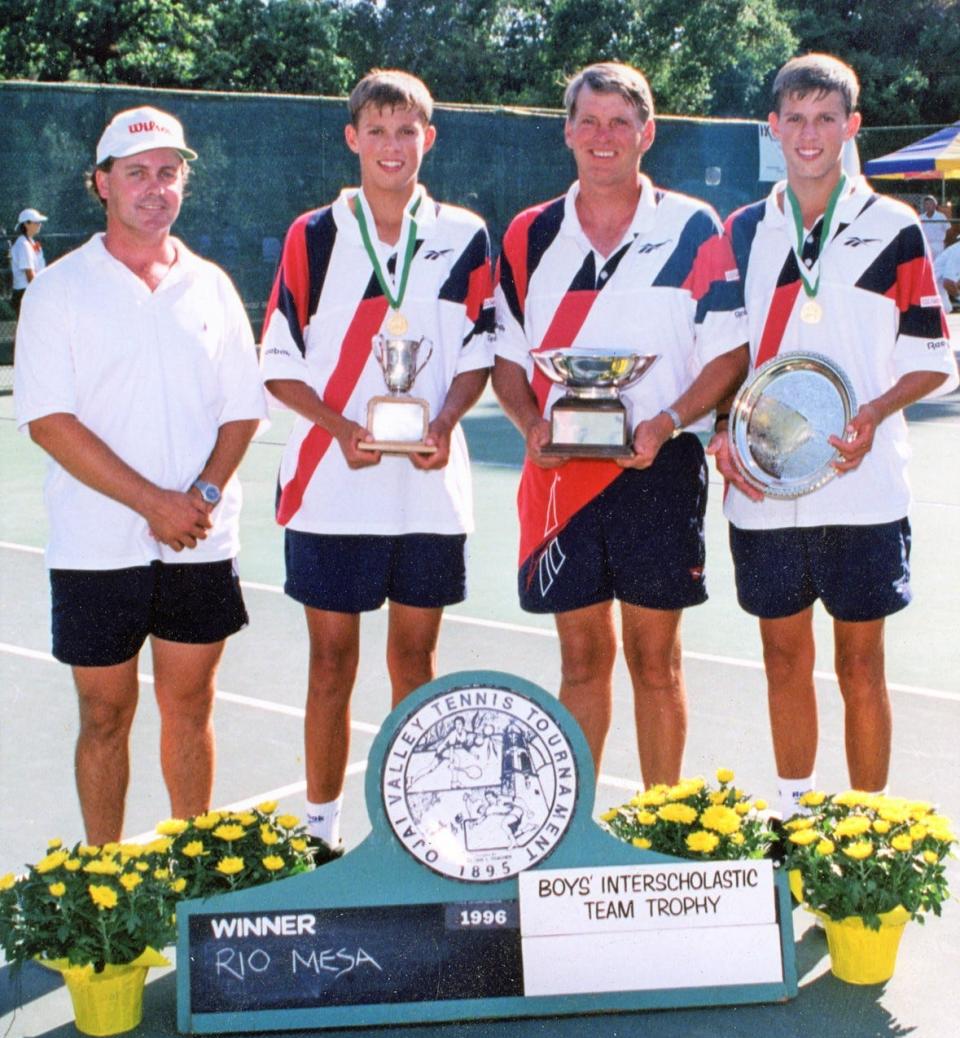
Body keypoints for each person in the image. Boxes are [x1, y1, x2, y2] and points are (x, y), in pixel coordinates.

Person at [712, 55, 958, 822]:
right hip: (762, 491)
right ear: (774, 129)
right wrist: (723, 429)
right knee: (784, 658)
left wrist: (873, 413)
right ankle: (793, 818)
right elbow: (723, 356)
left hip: (865, 484)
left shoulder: (894, 228)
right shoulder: (742, 230)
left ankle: (864, 828)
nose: (810, 134)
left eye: (826, 119)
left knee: (861, 666)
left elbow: (933, 358)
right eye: (796, 118)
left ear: (851, 127)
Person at [13, 106, 267, 844]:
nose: (155, 189)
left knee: (191, 707)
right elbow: (50, 421)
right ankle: (107, 879)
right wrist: (153, 502)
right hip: (97, 546)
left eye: (169, 173)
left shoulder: (213, 286)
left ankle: (192, 872)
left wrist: (203, 497)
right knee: (104, 715)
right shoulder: (58, 290)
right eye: (137, 174)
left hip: (199, 539)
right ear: (101, 184)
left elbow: (242, 409)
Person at [492, 62, 749, 786]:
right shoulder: (527, 233)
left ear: (648, 133)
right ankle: (577, 832)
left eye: (620, 123)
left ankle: (660, 826)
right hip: (560, 474)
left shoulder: (693, 225)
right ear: (568, 130)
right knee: (580, 662)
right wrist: (527, 426)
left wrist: (666, 422)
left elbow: (728, 353)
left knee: (656, 663)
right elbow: (507, 360)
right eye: (590, 121)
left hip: (657, 467)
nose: (604, 137)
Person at [260, 69, 495, 862]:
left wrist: (448, 420)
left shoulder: (464, 234)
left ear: (428, 139)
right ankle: (320, 830)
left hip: (428, 491)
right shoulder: (312, 235)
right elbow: (279, 359)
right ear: (351, 138)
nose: (392, 146)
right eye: (378, 130)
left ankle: (417, 824)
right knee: (330, 663)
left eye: (408, 132)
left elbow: (478, 353)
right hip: (334, 488)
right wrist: (338, 429)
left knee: (415, 660)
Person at [10, 207, 47, 315]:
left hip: (30, 291)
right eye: (37, 222)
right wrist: (40, 292)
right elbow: (30, 275)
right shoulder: (23, 245)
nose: (40, 224)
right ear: (27, 224)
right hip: (25, 293)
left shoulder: (30, 242)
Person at [919, 195, 950, 260]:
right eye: (926, 204)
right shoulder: (921, 217)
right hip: (926, 245)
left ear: (935, 205)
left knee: (938, 264)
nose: (928, 206)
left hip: (938, 245)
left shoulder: (941, 216)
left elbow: (948, 230)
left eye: (930, 203)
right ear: (924, 206)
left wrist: (946, 242)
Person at [934, 237, 960, 312]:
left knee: (947, 307)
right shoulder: (958, 252)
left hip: (939, 289)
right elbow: (948, 284)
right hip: (931, 292)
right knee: (945, 308)